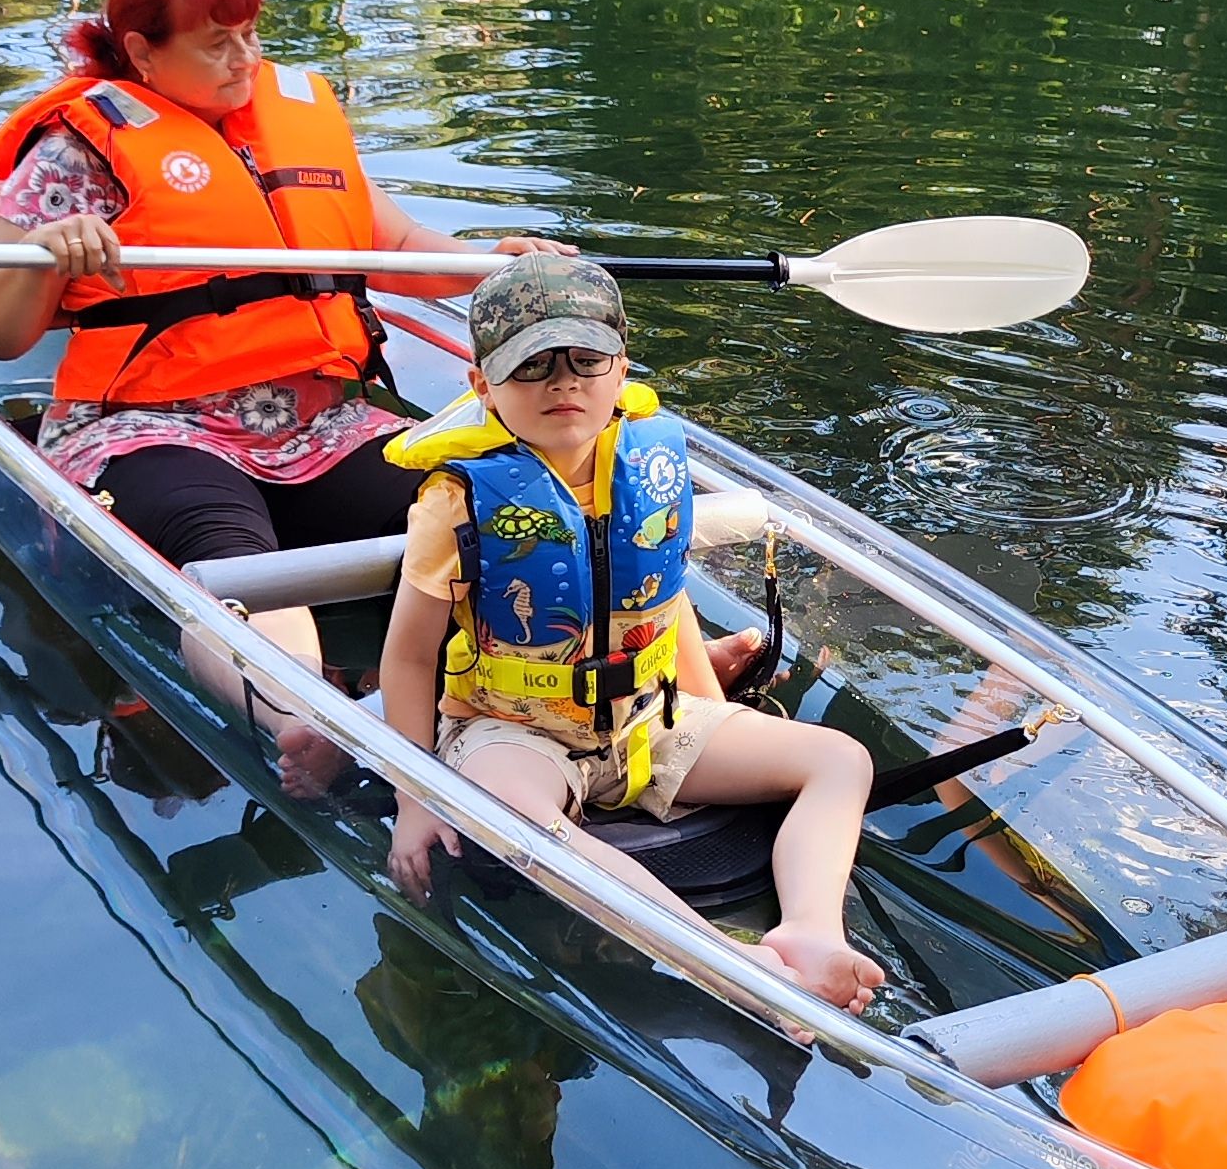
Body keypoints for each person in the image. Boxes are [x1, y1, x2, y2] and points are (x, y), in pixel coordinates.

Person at [0, 0, 530, 780]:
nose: (244, 59)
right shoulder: (76, 152)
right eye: (216, 42)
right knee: (235, 559)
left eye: (251, 34)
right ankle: (306, 719)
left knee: (479, 504)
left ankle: (617, 673)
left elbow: (395, 245)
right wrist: (46, 250)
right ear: (143, 51)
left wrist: (497, 266)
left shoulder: (288, 125)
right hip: (149, 425)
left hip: (316, 422)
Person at [378, 251, 885, 1013]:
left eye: (587, 360)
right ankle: (721, 961)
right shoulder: (454, 504)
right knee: (513, 816)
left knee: (840, 759)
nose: (564, 383)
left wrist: (717, 707)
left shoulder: (646, 466)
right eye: (533, 366)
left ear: (622, 368)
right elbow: (410, 660)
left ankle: (811, 930)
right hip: (516, 731)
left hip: (646, 722)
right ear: (481, 384)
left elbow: (663, 598)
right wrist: (414, 798)